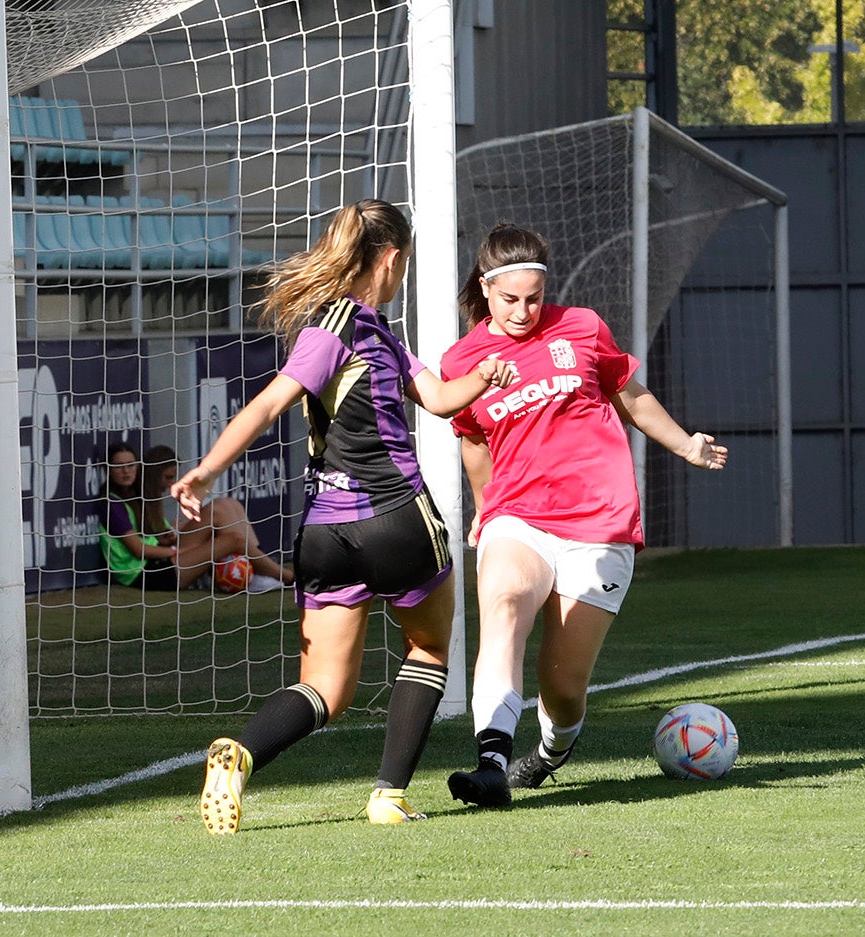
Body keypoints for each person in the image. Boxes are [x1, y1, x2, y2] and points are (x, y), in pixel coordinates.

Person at [171, 198, 515, 832]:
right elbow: (280, 402)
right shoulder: (359, 329)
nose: (402, 274)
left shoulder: (346, 328)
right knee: (431, 648)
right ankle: (388, 795)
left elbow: (433, 397)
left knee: (326, 690)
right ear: (388, 259)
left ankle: (241, 755)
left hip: (325, 532)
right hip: (399, 517)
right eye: (403, 263)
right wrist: (209, 468)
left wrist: (207, 468)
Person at [440, 223, 727, 807]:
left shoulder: (583, 327)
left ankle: (551, 749)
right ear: (486, 291)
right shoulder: (461, 360)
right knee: (504, 607)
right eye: (510, 300)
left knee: (562, 685)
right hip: (517, 513)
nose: (523, 312)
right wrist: (484, 506)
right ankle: (491, 762)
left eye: (534, 299)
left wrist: (686, 445)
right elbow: (473, 441)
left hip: (600, 521)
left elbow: (632, 396)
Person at [96, 441, 291, 592]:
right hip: (148, 574)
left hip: (162, 557)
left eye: (130, 465)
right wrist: (177, 551)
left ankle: (258, 572)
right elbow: (138, 550)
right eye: (119, 466)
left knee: (225, 505)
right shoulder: (111, 503)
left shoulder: (135, 494)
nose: (126, 471)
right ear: (108, 469)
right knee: (233, 540)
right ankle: (288, 577)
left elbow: (148, 536)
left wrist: (167, 537)